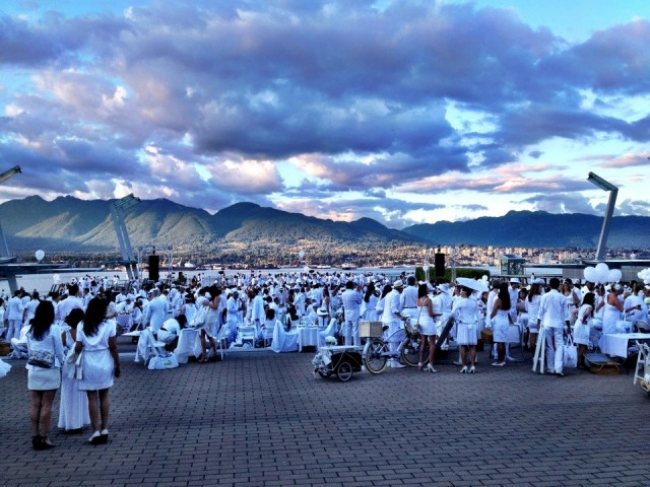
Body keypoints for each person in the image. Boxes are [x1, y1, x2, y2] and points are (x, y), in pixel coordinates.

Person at [75, 298, 121, 445]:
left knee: (92, 398)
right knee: (104, 395)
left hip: (88, 361)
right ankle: (105, 428)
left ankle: (95, 431)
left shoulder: (82, 324)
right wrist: (117, 365)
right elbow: (113, 346)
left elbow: (78, 347)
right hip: (105, 359)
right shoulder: (110, 324)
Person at [26, 300, 65, 450]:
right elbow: (59, 351)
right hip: (50, 369)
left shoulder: (31, 329)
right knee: (47, 405)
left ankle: (35, 436)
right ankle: (44, 437)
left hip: (34, 370)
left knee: (35, 404)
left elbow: (30, 351)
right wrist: (62, 364)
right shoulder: (54, 328)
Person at [58, 308, 90, 434]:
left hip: (68, 365)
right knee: (80, 394)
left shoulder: (64, 333)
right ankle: (79, 422)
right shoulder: (85, 332)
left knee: (67, 393)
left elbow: (60, 351)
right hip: (81, 365)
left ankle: (68, 423)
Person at [538, 277, 568, 376]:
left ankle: (550, 368)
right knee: (559, 345)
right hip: (558, 323)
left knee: (549, 346)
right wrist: (567, 326)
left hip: (546, 323)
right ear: (558, 285)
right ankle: (558, 368)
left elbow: (541, 311)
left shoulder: (545, 296)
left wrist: (539, 323)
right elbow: (566, 314)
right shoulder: (562, 297)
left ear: (550, 285)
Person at [453, 285, 480, 373]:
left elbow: (453, 313)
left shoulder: (460, 302)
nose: (460, 292)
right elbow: (477, 314)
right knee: (472, 346)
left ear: (465, 292)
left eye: (461, 291)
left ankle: (464, 366)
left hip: (463, 324)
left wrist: (458, 320)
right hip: (472, 324)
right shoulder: (473, 302)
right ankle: (472, 366)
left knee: (463, 346)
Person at [382, 280, 405, 369]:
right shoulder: (396, 295)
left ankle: (389, 360)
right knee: (394, 341)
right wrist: (401, 317)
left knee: (388, 341)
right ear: (400, 288)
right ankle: (394, 361)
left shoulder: (389, 294)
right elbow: (394, 309)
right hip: (392, 320)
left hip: (385, 319)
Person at [415, 283, 437, 373]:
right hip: (428, 322)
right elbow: (430, 313)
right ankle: (430, 364)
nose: (429, 290)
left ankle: (420, 362)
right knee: (432, 343)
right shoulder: (428, 300)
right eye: (427, 289)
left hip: (421, 322)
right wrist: (438, 314)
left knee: (423, 343)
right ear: (425, 290)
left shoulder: (418, 300)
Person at [490, 282, 512, 366]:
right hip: (505, 321)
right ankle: (503, 359)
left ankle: (500, 360)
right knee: (503, 341)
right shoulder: (508, 299)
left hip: (498, 321)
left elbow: (493, 312)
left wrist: (489, 319)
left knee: (499, 342)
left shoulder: (498, 300)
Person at [574, 292, 594, 369]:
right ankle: (581, 363)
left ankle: (578, 362)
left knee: (579, 345)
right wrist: (584, 319)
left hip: (577, 324)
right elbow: (587, 313)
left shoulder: (582, 306)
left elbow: (574, 312)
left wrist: (579, 318)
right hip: (583, 326)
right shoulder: (590, 306)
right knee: (584, 345)